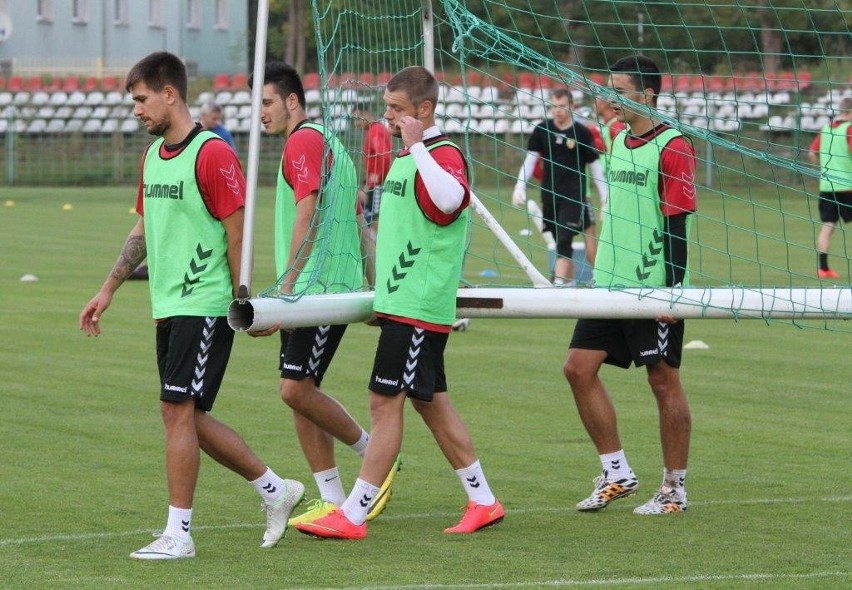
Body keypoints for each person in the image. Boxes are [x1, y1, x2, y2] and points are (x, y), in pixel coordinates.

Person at [78, 51, 305, 560]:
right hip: (167, 304)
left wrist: (244, 303)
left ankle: (178, 534)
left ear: (169, 94)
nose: (136, 111)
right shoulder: (152, 158)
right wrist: (108, 288)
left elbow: (236, 231)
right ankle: (276, 490)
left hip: (205, 305)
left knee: (175, 410)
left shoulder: (212, 153)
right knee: (186, 417)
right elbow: (142, 230)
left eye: (140, 100)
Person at [295, 65, 504, 539]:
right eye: (387, 107)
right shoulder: (410, 157)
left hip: (419, 305)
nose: (387, 116)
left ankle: (352, 514)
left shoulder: (441, 153)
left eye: (397, 109)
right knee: (432, 403)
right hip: (402, 302)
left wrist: (415, 145)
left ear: (424, 110)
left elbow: (452, 200)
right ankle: (484, 501)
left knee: (384, 402)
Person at [247, 61, 399, 526]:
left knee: (295, 389)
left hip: (316, 288)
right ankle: (331, 497)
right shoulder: (326, 141)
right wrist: (370, 281)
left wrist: (286, 288)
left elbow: (308, 212)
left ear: (293, 101)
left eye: (268, 102)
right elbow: (355, 217)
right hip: (320, 285)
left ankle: (375, 455)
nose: (261, 114)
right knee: (301, 391)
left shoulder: (305, 140)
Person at [564, 54, 697, 515]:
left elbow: (676, 226)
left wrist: (673, 293)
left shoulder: (674, 145)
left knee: (663, 382)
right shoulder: (617, 137)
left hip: (652, 286)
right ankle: (617, 472)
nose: (610, 97)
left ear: (649, 95)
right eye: (608, 88)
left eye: (620, 89)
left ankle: (674, 490)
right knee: (577, 369)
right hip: (608, 284)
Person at [513, 87, 600, 286]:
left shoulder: (582, 133)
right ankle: (568, 282)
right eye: (553, 106)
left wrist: (605, 197)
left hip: (575, 196)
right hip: (550, 196)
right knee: (558, 238)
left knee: (564, 239)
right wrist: (520, 187)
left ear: (572, 106)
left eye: (561, 106)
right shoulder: (542, 130)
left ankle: (558, 284)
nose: (557, 110)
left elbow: (595, 167)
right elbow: (529, 161)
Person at [808, 95, 852, 279]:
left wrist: (823, 167)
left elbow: (811, 153)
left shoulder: (825, 129)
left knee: (828, 226)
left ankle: (823, 269)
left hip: (826, 187)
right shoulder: (849, 130)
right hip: (847, 187)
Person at [351, 108, 393, 231]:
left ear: (367, 114)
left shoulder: (375, 131)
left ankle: (376, 249)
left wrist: (376, 177)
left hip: (378, 184)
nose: (356, 123)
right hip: (375, 182)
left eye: (358, 118)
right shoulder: (377, 129)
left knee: (376, 220)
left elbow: (384, 155)